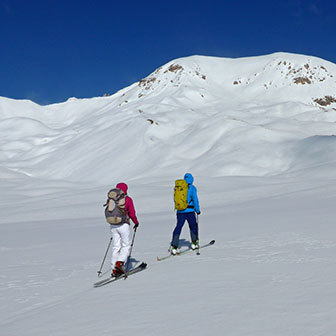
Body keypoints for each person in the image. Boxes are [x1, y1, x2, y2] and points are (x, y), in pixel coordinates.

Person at [108, 182, 139, 277]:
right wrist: (136, 222)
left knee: (116, 246)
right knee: (125, 245)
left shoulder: (111, 199)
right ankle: (120, 263)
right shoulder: (128, 199)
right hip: (123, 225)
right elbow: (132, 213)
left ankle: (114, 269)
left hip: (113, 225)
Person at [170, 173, 201, 255]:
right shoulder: (192, 188)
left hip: (180, 211)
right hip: (190, 211)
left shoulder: (179, 188)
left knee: (178, 227)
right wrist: (197, 210)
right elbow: (195, 200)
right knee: (193, 226)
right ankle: (194, 243)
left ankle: (174, 246)